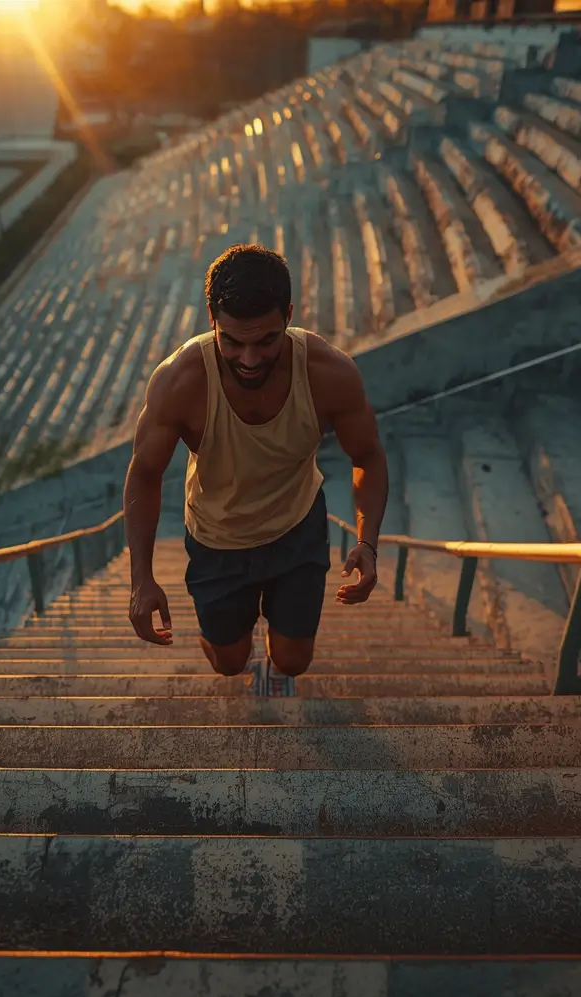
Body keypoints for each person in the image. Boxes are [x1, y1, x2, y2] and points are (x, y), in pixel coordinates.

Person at [123, 243, 388, 680]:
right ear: (212, 321)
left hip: (297, 529)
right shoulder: (180, 381)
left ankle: (276, 635)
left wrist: (368, 542)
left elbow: (369, 456)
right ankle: (231, 636)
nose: (249, 360)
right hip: (216, 540)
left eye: (266, 342)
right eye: (232, 342)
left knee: (292, 662)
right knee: (229, 664)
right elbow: (145, 473)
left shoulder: (329, 373)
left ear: (288, 314)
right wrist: (141, 579)